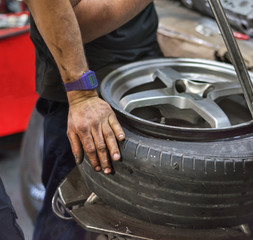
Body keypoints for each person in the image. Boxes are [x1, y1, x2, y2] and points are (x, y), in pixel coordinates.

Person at [23, 0, 163, 239]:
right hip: (88, 93)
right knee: (71, 218)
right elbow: (71, 18)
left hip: (141, 64)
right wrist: (82, 94)